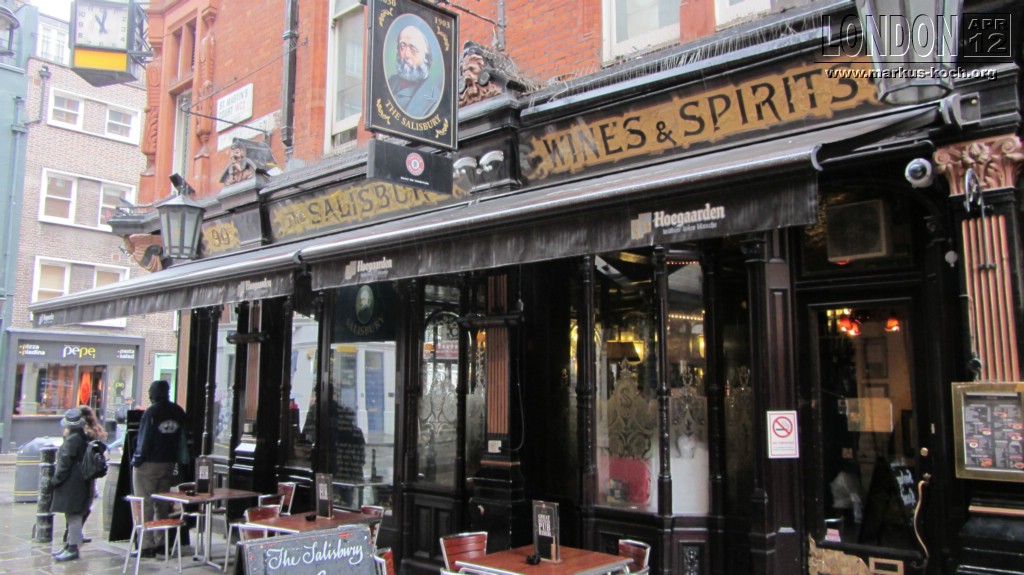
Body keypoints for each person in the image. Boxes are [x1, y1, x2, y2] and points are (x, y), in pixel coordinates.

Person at [131, 380, 187, 557]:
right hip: (169, 462)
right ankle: (162, 543)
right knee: (162, 504)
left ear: (154, 393)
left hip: (149, 463)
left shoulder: (151, 412)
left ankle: (146, 545)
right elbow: (182, 437)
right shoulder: (178, 411)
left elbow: (144, 438)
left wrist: (137, 459)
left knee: (145, 503)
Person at [49, 408, 92, 562]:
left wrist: (56, 479)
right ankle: (69, 545)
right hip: (80, 480)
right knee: (73, 514)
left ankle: (72, 548)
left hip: (72, 482)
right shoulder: (82, 436)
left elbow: (64, 463)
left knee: (73, 515)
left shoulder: (72, 439)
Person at [387, 24, 442, 118]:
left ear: (426, 56)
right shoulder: (391, 82)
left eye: (413, 49)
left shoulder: (434, 98)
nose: (406, 54)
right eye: (402, 47)